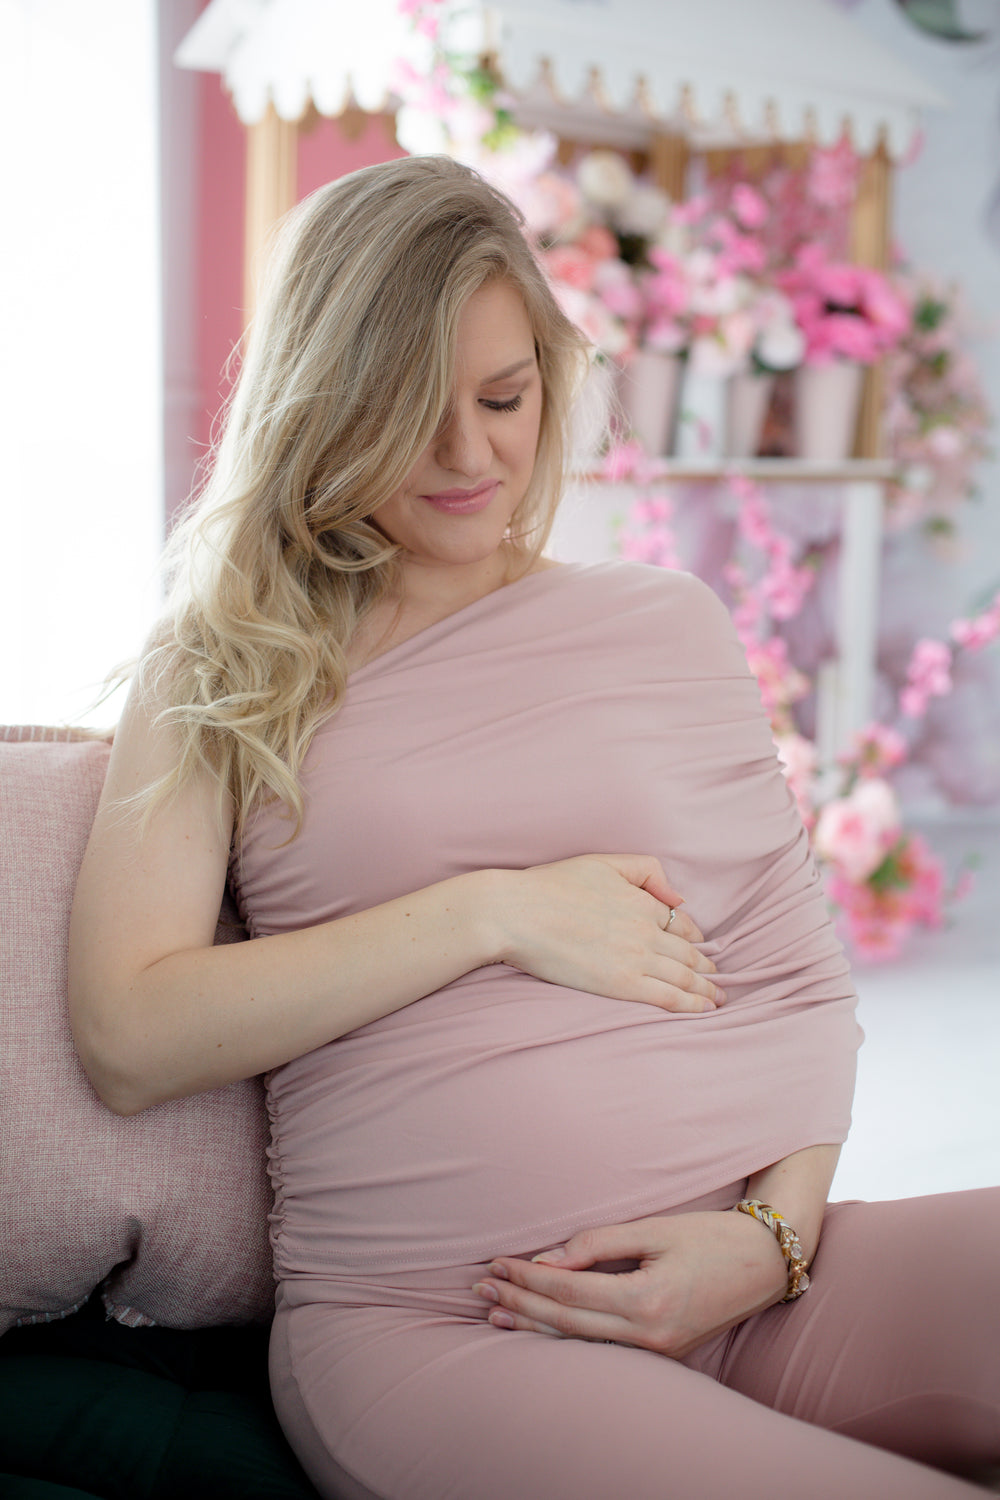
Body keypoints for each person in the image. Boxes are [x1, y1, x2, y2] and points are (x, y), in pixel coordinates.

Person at [69, 156, 999, 1499]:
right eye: (408, 415)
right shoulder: (229, 662)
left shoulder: (660, 621)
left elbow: (799, 981)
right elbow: (129, 1035)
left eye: (503, 399)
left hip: (754, 1281)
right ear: (322, 410)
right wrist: (489, 911)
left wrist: (770, 1241)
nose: (469, 458)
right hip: (450, 1335)